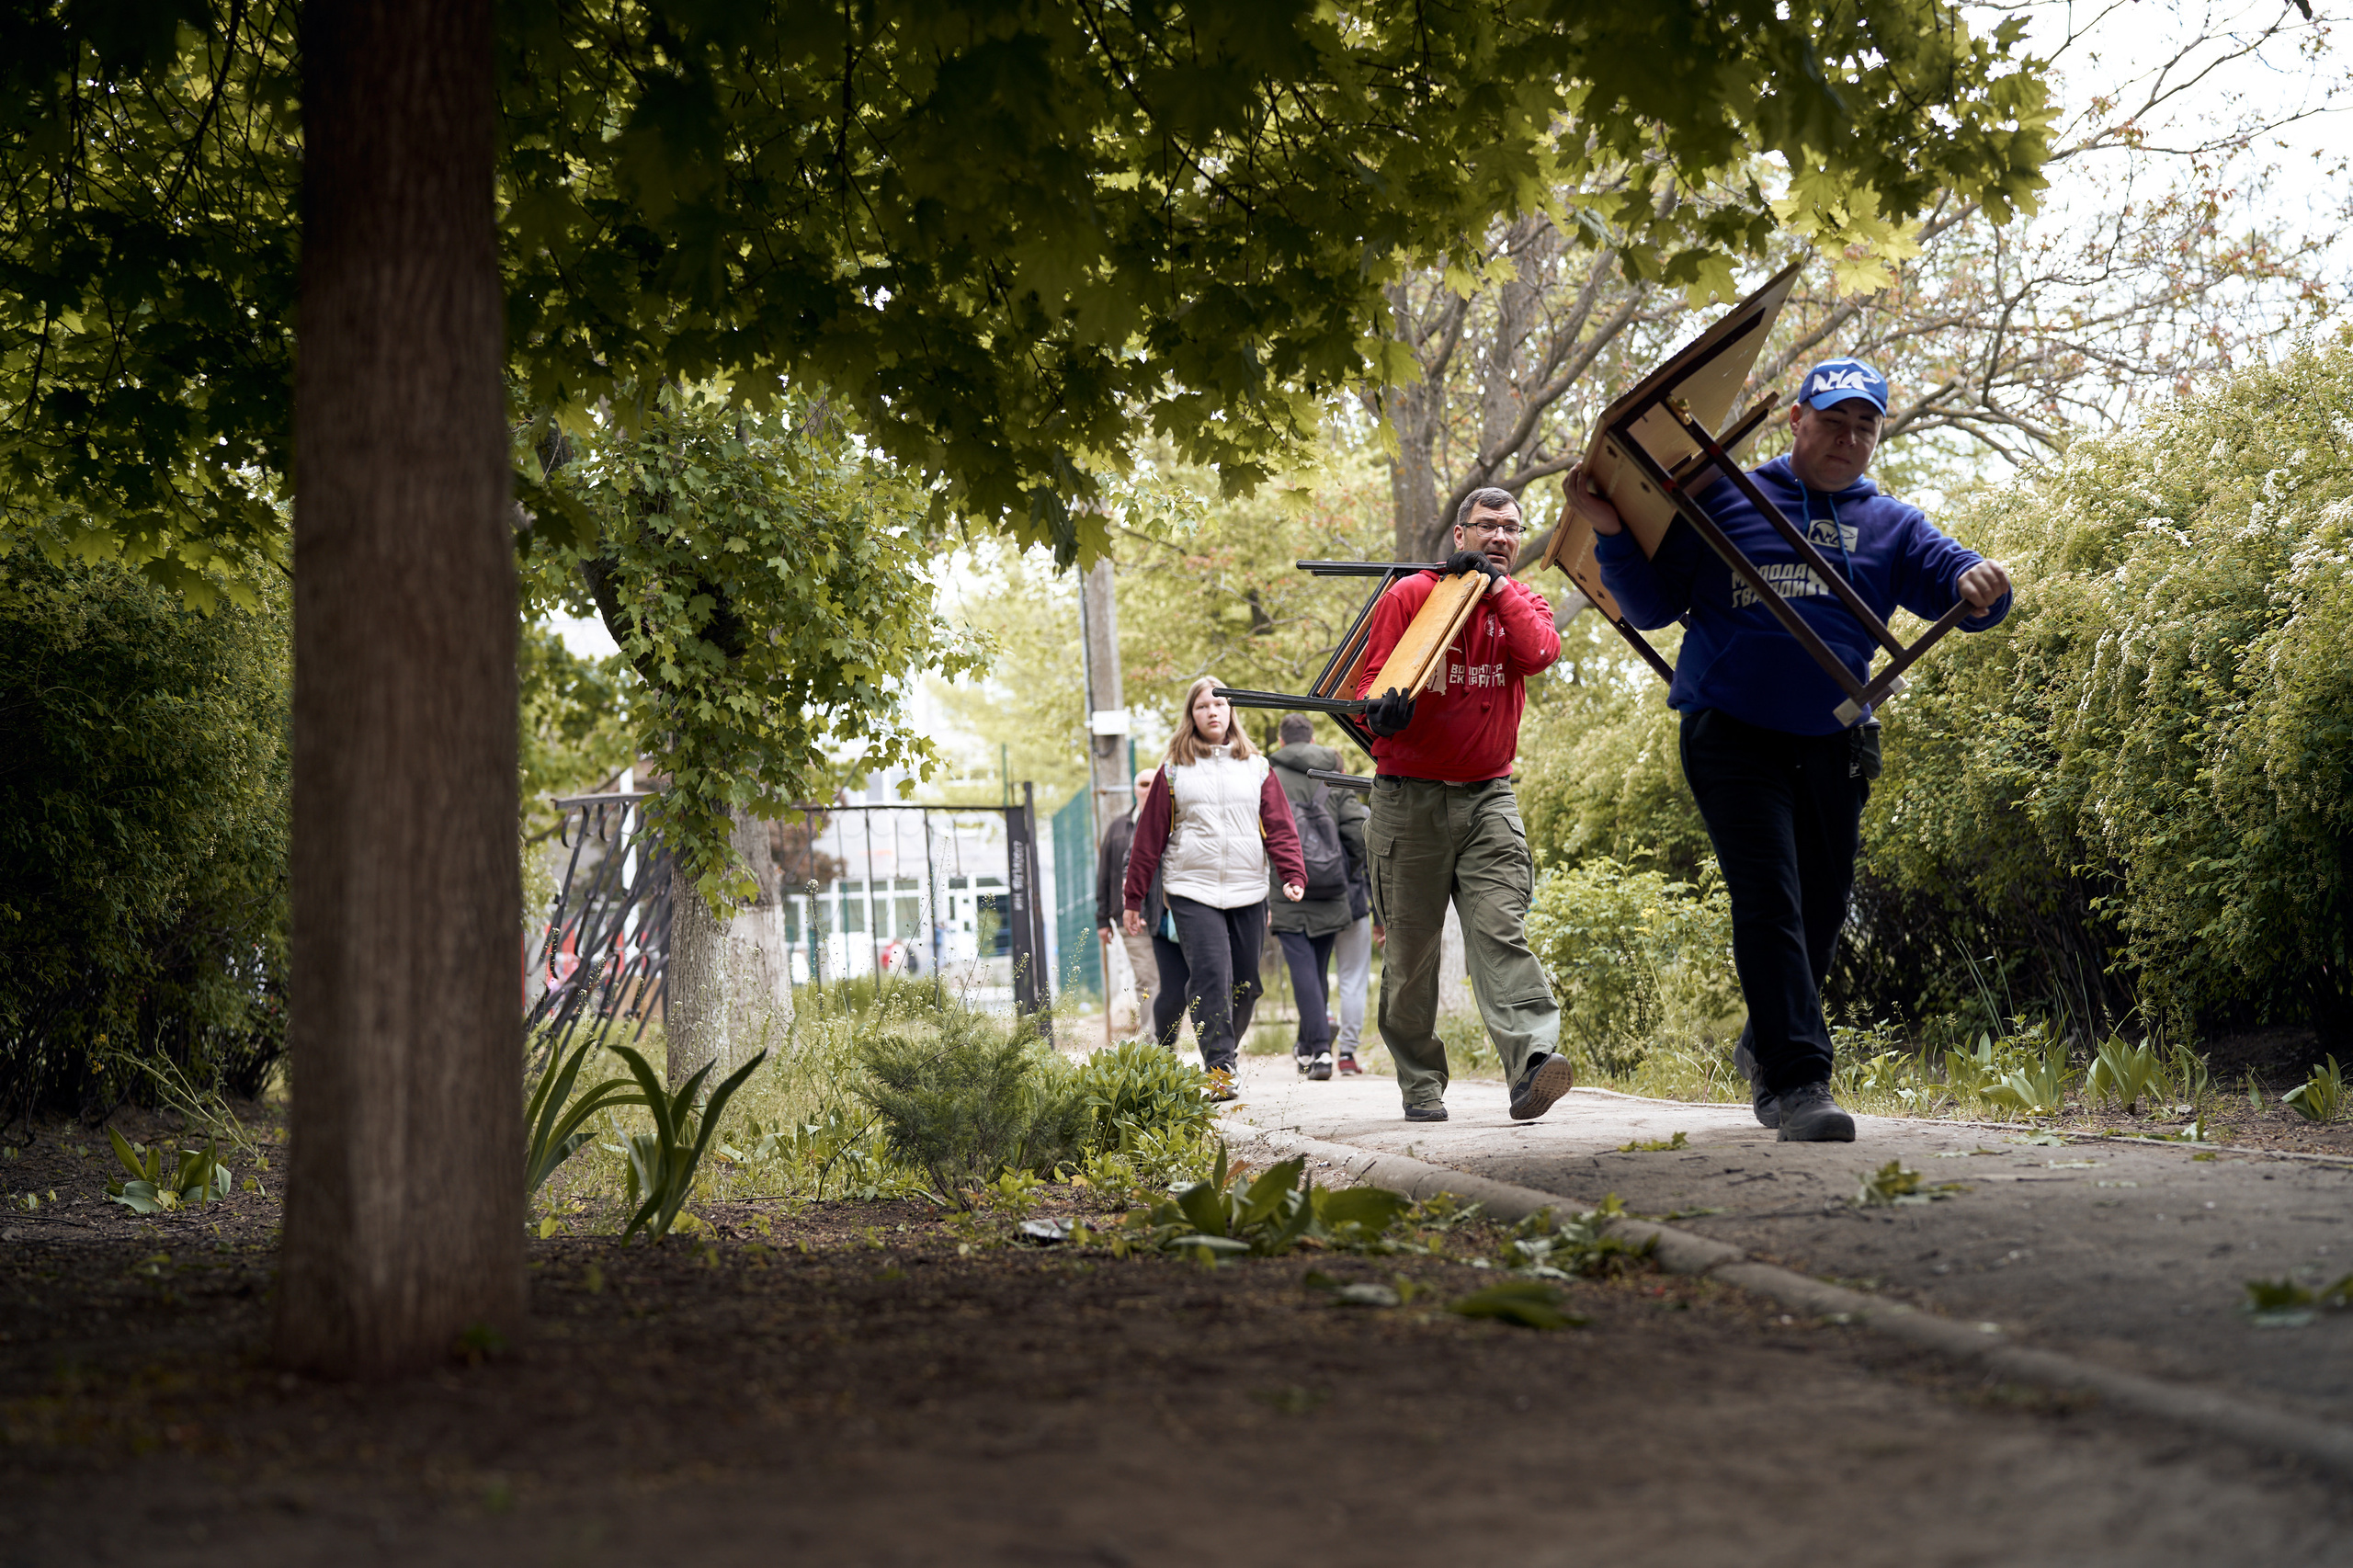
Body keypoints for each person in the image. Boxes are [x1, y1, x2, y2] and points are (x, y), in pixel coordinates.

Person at [1572, 357, 2014, 1143]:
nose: (1848, 437)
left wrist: (1984, 584)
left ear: (1877, 433)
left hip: (1834, 738)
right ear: (1796, 420)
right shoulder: (1723, 497)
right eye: (1833, 419)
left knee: (1821, 908)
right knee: (1769, 897)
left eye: (1864, 424)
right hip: (1729, 732)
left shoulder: (1892, 525)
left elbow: (1959, 584)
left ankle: (1765, 1040)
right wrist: (1609, 530)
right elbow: (1649, 604)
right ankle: (1799, 1081)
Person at [1354, 488, 1570, 1124]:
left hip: (1488, 798)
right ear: (1459, 535)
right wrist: (1380, 710)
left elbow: (1541, 653)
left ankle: (1533, 1064)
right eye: (1488, 527)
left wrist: (1497, 590)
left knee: (1501, 931)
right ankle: (1421, 1082)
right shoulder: (1412, 596)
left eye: (1511, 528)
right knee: (1412, 955)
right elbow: (1369, 682)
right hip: (1406, 800)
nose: (1501, 537)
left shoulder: (1522, 602)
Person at [1124, 677, 1309, 1100]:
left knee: (1246, 984)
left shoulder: (1257, 767)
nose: (1213, 712)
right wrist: (1133, 898)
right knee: (1210, 975)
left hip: (1248, 889)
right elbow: (1148, 839)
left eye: (1220, 704)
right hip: (1191, 889)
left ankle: (1223, 1050)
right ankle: (1220, 1067)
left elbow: (1280, 826)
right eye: (1203, 706)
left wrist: (1292, 874)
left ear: (1231, 712)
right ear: (1191, 715)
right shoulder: (1173, 770)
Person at [1265, 714, 1369, 1080]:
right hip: (1331, 887)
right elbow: (1357, 833)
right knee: (1319, 970)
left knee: (1303, 971)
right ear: (1311, 739)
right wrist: (1345, 870)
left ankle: (1320, 1052)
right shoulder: (1333, 772)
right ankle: (1310, 1046)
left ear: (1281, 741)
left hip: (1286, 885)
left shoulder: (1269, 775)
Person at [1094, 767, 1162, 1034]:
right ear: (1135, 788)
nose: (1148, 788)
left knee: (1167, 980)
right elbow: (1105, 874)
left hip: (1166, 916)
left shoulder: (1169, 822)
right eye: (1144, 783)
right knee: (1149, 979)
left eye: (1154, 783)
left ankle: (1165, 1039)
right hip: (1129, 918)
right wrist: (1102, 919)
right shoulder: (1118, 828)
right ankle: (1153, 1046)